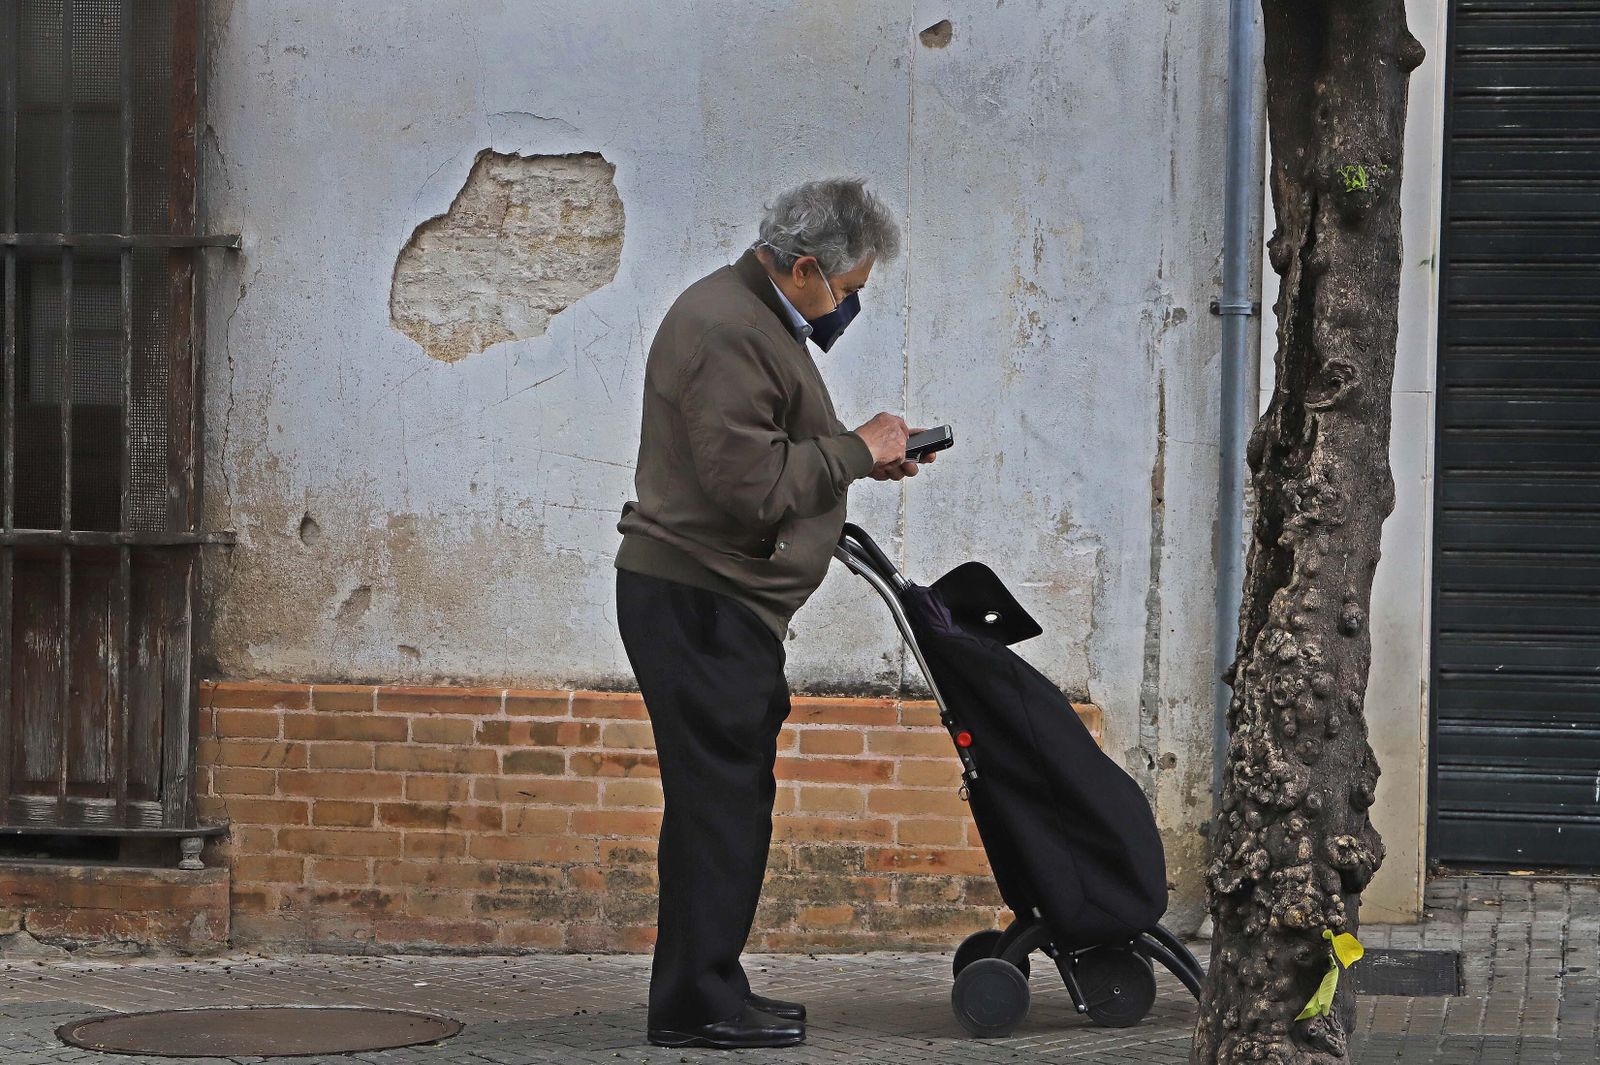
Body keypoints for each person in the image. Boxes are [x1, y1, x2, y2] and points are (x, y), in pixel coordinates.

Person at [614, 178, 929, 1049]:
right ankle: (695, 1002)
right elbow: (749, 488)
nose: (849, 305)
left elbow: (772, 452)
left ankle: (709, 984)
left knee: (727, 801)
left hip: (714, 599)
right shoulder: (726, 328)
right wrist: (854, 450)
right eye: (849, 289)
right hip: (698, 600)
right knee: (721, 807)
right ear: (802, 270)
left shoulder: (752, 318)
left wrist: (861, 462)